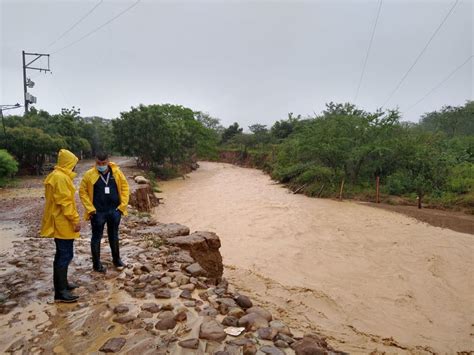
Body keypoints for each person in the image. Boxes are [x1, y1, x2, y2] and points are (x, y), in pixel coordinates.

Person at [40, 149, 81, 303]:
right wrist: (75, 219)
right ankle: (61, 291)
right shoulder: (61, 178)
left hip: (60, 220)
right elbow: (65, 202)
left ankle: (62, 285)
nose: (75, 167)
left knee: (62, 254)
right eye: (74, 164)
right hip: (62, 222)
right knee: (64, 255)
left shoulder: (56, 176)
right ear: (68, 163)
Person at [79, 153, 129, 273]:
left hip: (114, 210)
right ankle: (96, 265)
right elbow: (82, 192)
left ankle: (117, 260)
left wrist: (122, 208)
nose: (101, 166)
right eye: (98, 163)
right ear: (95, 162)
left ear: (108, 161)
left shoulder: (117, 172)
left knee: (114, 235)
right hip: (98, 212)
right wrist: (90, 209)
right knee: (96, 238)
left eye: (103, 163)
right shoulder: (89, 174)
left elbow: (125, 188)